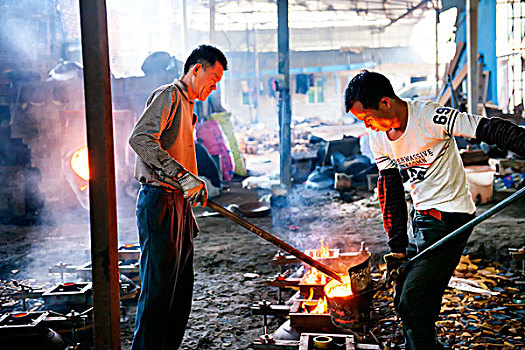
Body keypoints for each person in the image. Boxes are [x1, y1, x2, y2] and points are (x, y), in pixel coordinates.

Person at [343, 70, 525, 349]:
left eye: (367, 117)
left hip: (451, 219)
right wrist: (397, 247)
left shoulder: (429, 116)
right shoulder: (378, 138)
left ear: (385, 103)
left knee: (413, 301)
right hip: (422, 218)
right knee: (403, 295)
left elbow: (490, 128)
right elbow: (390, 190)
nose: (367, 125)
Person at [128, 45, 228, 350]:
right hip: (159, 202)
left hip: (177, 206)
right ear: (196, 69)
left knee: (180, 292)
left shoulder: (189, 107)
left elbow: (181, 154)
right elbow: (141, 138)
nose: (213, 87)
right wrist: (184, 177)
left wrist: (189, 198)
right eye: (212, 79)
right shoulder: (168, 95)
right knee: (158, 292)